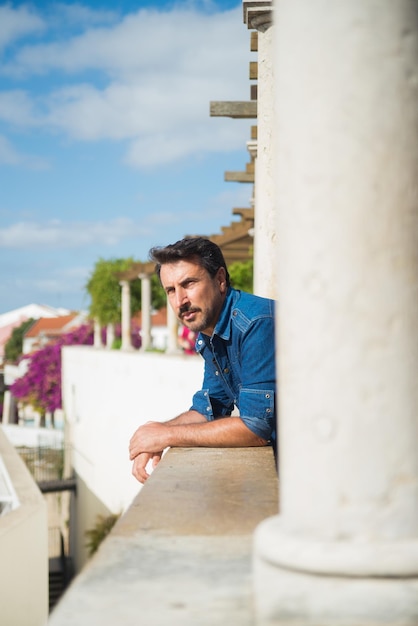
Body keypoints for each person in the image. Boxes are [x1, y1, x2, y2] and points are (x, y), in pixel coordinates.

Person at [129, 237, 276, 483]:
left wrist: (167, 436)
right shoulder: (212, 333)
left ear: (219, 280)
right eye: (171, 290)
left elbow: (256, 428)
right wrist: (158, 433)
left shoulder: (255, 324)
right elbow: (210, 408)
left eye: (189, 284)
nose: (180, 301)